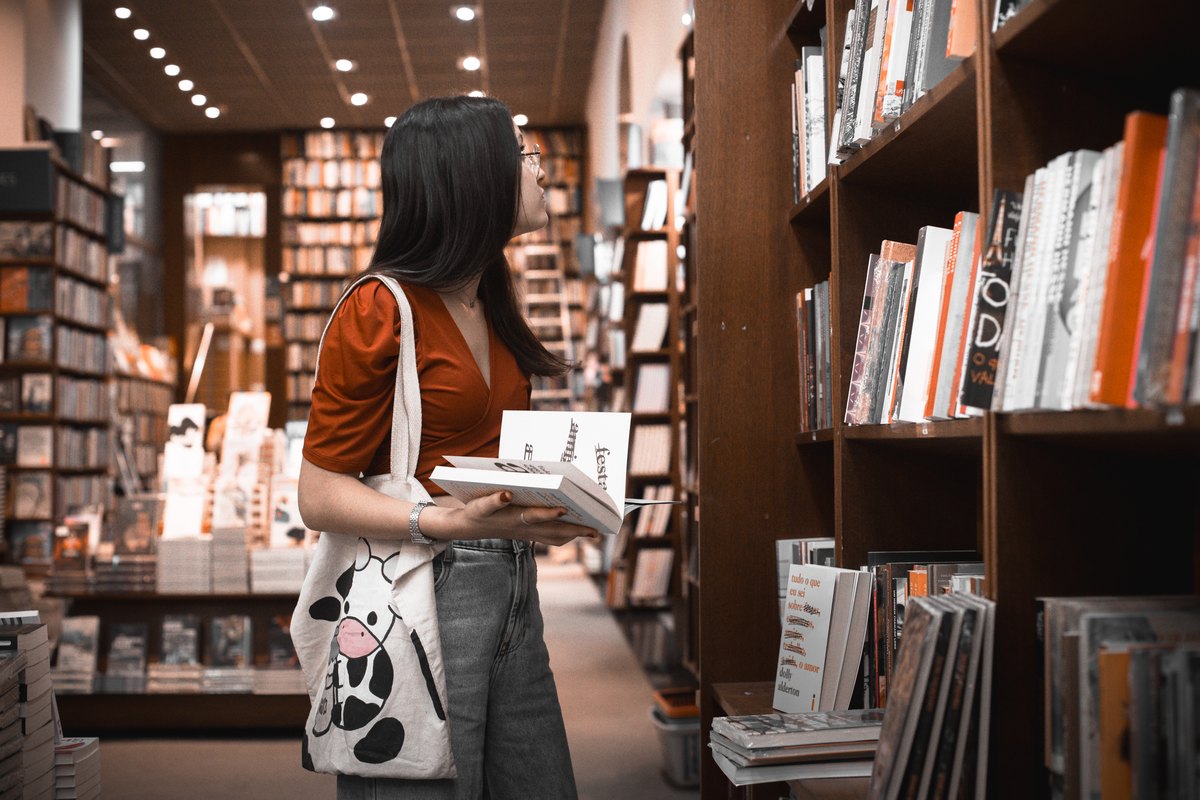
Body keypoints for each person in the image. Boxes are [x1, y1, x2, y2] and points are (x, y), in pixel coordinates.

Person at [297, 94, 590, 800]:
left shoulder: (490, 296)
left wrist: (553, 502)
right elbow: (318, 493)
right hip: (427, 580)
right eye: (525, 154)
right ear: (471, 174)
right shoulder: (380, 307)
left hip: (514, 586)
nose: (541, 171)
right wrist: (443, 521)